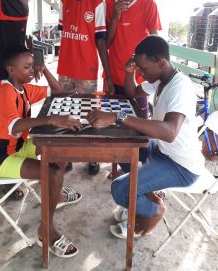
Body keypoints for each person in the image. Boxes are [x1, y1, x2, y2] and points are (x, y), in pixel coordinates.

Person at [88, 35, 205, 238]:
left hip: (181, 165)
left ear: (161, 62)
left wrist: (118, 117)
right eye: (139, 69)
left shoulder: (181, 87)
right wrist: (129, 72)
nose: (141, 72)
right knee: (122, 149)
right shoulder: (160, 79)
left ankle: (154, 211)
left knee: (119, 189)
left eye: (143, 69)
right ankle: (141, 199)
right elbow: (132, 92)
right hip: (162, 150)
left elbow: (169, 132)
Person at [0, 45, 82, 258]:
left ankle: (56, 193)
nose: (31, 70)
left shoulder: (24, 88)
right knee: (54, 172)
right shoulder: (4, 92)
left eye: (32, 65)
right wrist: (50, 119)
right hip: (0, 158)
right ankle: (46, 231)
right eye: (26, 66)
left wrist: (44, 69)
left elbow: (59, 90)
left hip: (19, 147)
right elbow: (15, 126)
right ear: (11, 69)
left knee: (60, 150)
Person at [57, 0, 114, 175]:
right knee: (67, 112)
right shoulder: (64, 0)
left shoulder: (97, 1)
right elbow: (65, 34)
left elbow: (100, 40)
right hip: (65, 70)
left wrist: (107, 73)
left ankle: (92, 157)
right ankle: (69, 154)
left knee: (90, 114)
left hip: (88, 71)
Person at [105, 0, 162, 118]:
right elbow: (105, 45)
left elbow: (155, 42)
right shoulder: (108, 6)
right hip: (115, 78)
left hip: (140, 81)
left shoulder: (148, 4)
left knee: (139, 127)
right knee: (113, 126)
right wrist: (115, 18)